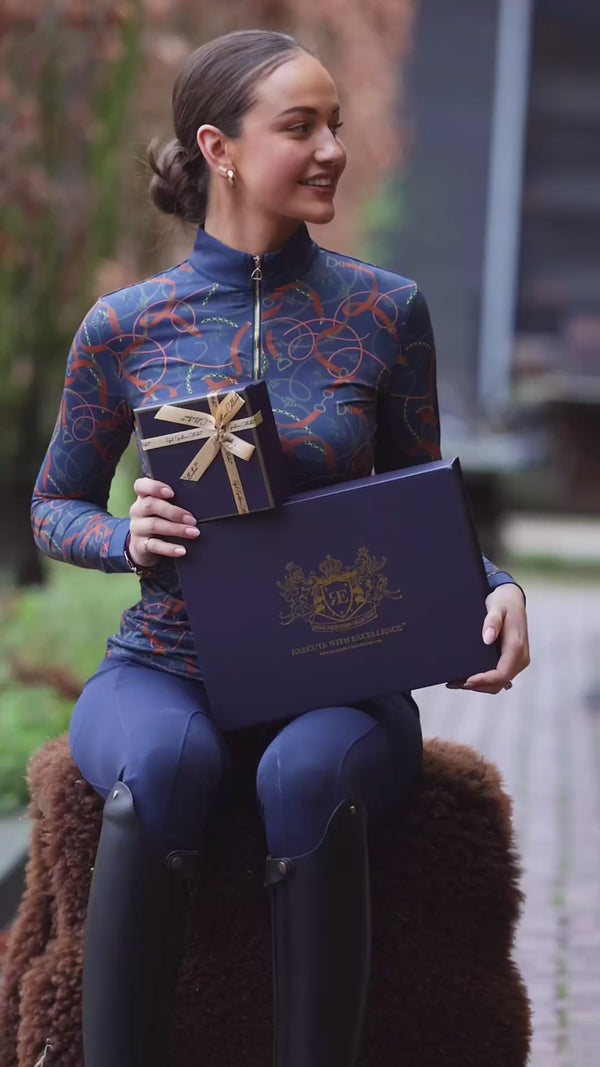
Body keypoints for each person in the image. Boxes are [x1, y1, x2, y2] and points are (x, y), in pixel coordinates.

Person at [31, 29, 530, 1067]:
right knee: (161, 765)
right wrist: (124, 535)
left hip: (343, 673)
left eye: (335, 124)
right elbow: (54, 505)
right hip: (166, 663)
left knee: (306, 774)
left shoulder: (386, 311)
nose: (332, 148)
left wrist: (496, 586)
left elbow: (424, 508)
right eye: (300, 126)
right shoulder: (124, 326)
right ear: (218, 148)